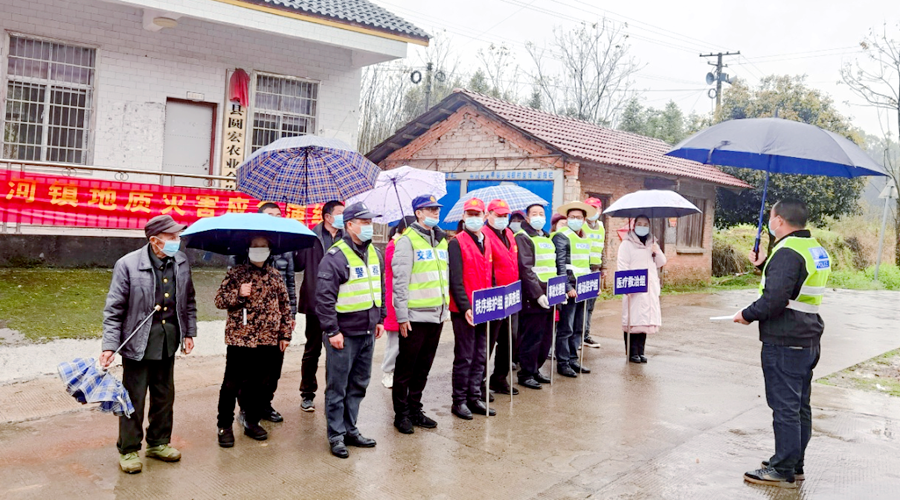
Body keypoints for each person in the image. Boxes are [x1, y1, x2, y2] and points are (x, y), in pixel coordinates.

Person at [734, 199, 831, 489]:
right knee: (799, 405)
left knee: (785, 406)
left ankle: (782, 470)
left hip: (786, 339)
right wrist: (764, 264)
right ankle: (794, 463)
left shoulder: (787, 252)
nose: (770, 221)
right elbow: (796, 286)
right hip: (806, 336)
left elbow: (775, 299)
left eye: (771, 216)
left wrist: (747, 314)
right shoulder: (813, 248)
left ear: (780, 221)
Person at [100, 215, 196, 474]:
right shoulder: (128, 265)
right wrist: (109, 346)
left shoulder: (181, 262)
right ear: (154, 240)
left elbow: (188, 301)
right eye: (171, 237)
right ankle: (129, 449)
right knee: (133, 399)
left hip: (167, 341)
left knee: (164, 396)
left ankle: (158, 442)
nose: (177, 241)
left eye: (178, 236)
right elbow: (114, 310)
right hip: (137, 343)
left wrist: (189, 333)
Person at [316, 202, 386, 459]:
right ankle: (336, 435)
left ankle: (350, 429)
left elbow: (379, 287)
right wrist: (332, 330)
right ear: (350, 225)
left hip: (368, 332)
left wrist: (380, 317)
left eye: (370, 222)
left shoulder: (375, 253)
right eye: (364, 222)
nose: (369, 227)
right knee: (337, 388)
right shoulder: (335, 256)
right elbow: (324, 298)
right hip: (343, 335)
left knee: (358, 384)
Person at [214, 236, 292, 446]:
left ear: (270, 250)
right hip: (240, 338)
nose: (259, 250)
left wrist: (285, 334)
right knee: (231, 384)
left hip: (268, 339)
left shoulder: (275, 275)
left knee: (260, 384)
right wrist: (238, 294)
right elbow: (219, 300)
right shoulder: (236, 274)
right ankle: (224, 425)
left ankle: (251, 420)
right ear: (247, 249)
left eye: (263, 246)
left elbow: (285, 307)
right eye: (255, 246)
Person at [229, 202, 296, 424]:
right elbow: (231, 285)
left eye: (278, 215)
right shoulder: (245, 248)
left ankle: (265, 404)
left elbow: (290, 285)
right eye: (269, 215)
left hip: (276, 321)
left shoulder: (285, 249)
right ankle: (245, 408)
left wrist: (291, 315)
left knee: (273, 368)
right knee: (248, 371)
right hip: (250, 322)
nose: (275, 219)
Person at [391, 196, 450, 434]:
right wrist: (402, 316)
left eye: (437, 209)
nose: (436, 213)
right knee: (406, 369)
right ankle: (401, 414)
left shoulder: (441, 240)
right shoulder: (407, 241)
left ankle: (415, 409)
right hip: (414, 317)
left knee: (423, 368)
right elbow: (400, 282)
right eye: (430, 209)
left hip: (437, 315)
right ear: (418, 213)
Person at [448, 198, 495, 420]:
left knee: (480, 354)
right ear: (464, 217)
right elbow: (455, 280)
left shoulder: (486, 240)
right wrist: (465, 307)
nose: (474, 218)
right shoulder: (456, 242)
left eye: (478, 214)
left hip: (484, 306)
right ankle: (459, 401)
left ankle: (474, 396)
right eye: (470, 214)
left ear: (484, 216)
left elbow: (489, 274)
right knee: (465, 356)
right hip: (464, 310)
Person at [296, 200, 344, 412]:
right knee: (312, 350)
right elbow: (298, 266)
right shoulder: (311, 236)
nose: (343, 217)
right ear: (327, 216)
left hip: (341, 302)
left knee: (338, 350)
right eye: (340, 213)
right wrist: (300, 244)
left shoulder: (346, 238)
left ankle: (335, 395)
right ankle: (307, 394)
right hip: (316, 302)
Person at [552, 201, 596, 377]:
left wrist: (593, 285)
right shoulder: (561, 236)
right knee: (566, 328)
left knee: (578, 327)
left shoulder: (585, 238)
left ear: (584, 220)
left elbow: (586, 264)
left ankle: (573, 359)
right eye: (572, 217)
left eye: (578, 217)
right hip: (570, 287)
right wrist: (567, 286)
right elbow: (560, 264)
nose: (575, 220)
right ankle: (563, 363)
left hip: (584, 287)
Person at [515, 203, 555, 389]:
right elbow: (526, 269)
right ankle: (526, 373)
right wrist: (537, 294)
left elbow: (552, 266)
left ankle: (536, 369)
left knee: (545, 338)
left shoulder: (546, 237)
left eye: (541, 213)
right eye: (534, 214)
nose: (538, 217)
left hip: (550, 293)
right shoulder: (523, 237)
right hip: (533, 296)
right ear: (527, 218)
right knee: (532, 337)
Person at [617, 215, 667, 364]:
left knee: (644, 321)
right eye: (639, 224)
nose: (642, 227)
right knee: (632, 320)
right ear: (634, 226)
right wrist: (625, 285)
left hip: (649, 286)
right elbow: (622, 265)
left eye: (645, 224)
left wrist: (657, 251)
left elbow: (661, 262)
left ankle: (640, 351)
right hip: (634, 285)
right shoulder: (626, 244)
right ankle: (631, 353)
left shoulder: (652, 242)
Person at [483, 199, 520, 397]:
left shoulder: (509, 234)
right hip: (494, 296)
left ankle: (499, 378)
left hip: (511, 295)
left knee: (509, 340)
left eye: (505, 215)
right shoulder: (484, 235)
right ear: (488, 215)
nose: (503, 219)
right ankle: (479, 383)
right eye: (498, 215)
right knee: (488, 341)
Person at [381, 215, 417, 389]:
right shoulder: (393, 246)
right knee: (394, 342)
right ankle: (388, 372)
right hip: (395, 300)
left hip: (409, 300)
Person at [581, 197, 605, 349]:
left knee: (590, 306)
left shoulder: (601, 227)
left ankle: (586, 335)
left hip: (595, 270)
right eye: (590, 208)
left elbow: (601, 248)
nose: (593, 211)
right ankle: (578, 336)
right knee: (581, 306)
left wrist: (604, 268)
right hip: (583, 269)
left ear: (600, 210)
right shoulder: (581, 225)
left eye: (595, 208)